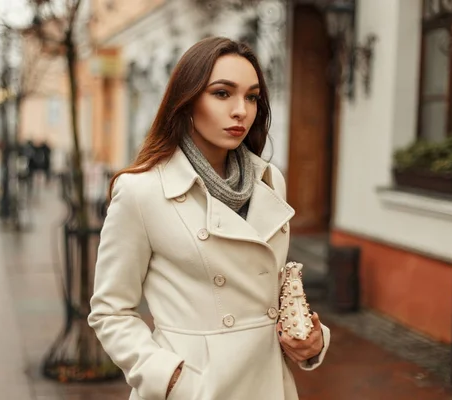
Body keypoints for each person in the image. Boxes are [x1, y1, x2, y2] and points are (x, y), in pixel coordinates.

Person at [88, 37, 330, 400]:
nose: (241, 111)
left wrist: (312, 340)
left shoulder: (268, 181)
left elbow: (266, 293)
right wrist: (169, 379)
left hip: (268, 384)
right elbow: (110, 311)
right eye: (222, 93)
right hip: (197, 389)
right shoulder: (142, 190)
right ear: (186, 102)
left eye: (251, 97)